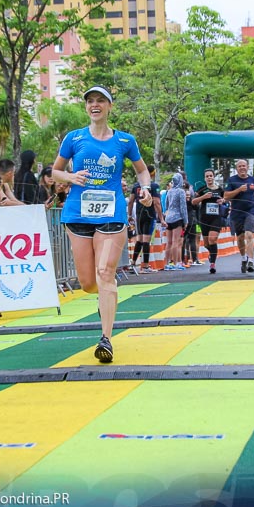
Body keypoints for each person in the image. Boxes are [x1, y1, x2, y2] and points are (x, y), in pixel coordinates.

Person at [52, 86, 152, 364]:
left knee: (105, 272)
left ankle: (106, 339)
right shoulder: (74, 138)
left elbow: (142, 170)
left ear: (109, 106)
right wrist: (71, 177)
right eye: (90, 101)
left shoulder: (124, 140)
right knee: (88, 282)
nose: (95, 105)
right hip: (78, 215)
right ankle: (105, 300)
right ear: (86, 107)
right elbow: (55, 171)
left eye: (100, 101)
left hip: (111, 214)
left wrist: (145, 189)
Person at [223, 159, 254, 273]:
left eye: (244, 166)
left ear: (247, 167)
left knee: (249, 234)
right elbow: (226, 196)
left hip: (251, 210)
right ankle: (244, 258)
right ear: (237, 168)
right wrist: (239, 189)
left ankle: (251, 261)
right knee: (240, 238)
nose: (242, 168)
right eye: (240, 166)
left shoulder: (253, 179)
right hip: (237, 212)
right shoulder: (231, 180)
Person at [128, 164, 163, 274]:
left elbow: (130, 201)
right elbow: (157, 203)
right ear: (152, 174)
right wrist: (161, 218)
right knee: (146, 240)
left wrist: (129, 215)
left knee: (139, 239)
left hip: (139, 214)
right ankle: (146, 266)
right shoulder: (154, 186)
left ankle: (133, 264)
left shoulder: (136, 185)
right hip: (149, 214)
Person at [193, 168, 226, 274]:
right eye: (207, 176)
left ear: (213, 177)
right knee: (207, 243)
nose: (209, 178)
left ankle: (213, 264)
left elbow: (225, 199)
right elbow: (193, 201)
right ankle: (211, 253)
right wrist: (203, 197)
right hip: (204, 218)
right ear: (205, 178)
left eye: (211, 176)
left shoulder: (220, 189)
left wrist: (223, 201)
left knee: (213, 239)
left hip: (216, 218)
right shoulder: (202, 189)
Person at [163, 173, 188, 271]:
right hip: (178, 218)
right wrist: (185, 220)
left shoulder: (169, 191)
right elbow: (183, 207)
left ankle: (166, 263)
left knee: (168, 242)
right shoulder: (181, 192)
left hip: (169, 218)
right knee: (176, 242)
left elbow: (166, 204)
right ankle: (176, 262)